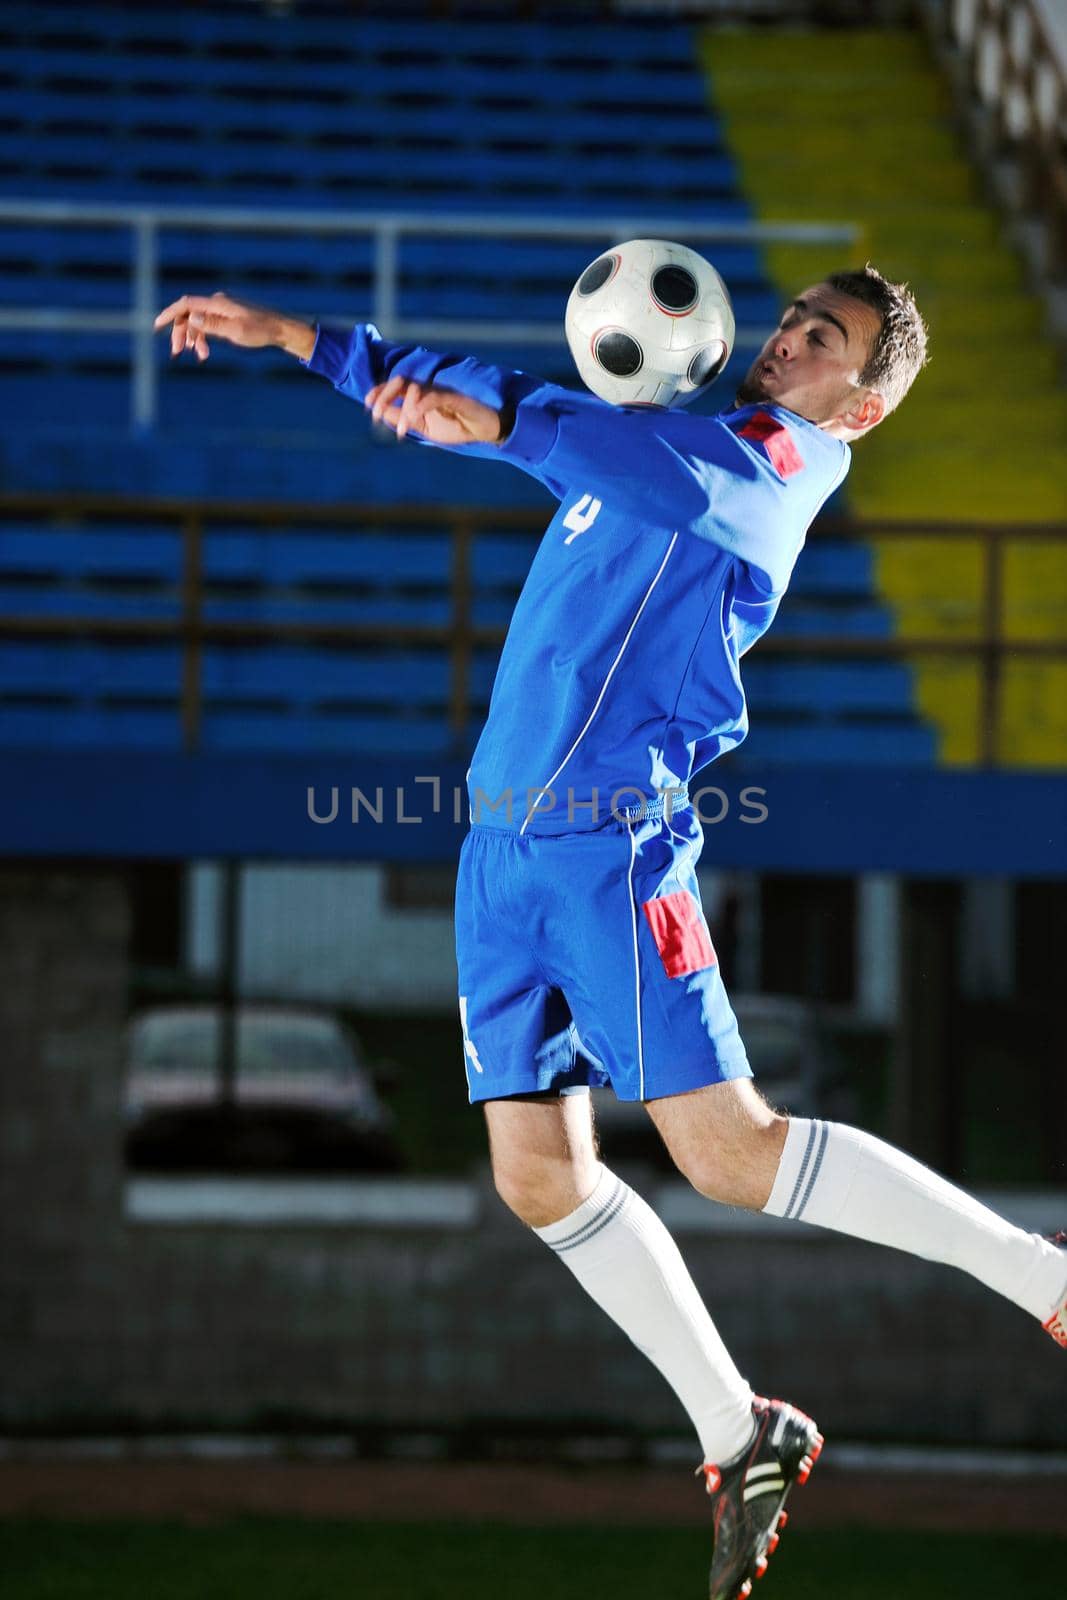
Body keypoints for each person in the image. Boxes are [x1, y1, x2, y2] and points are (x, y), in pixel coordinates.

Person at [155, 270, 1066, 1600]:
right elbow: (544, 423)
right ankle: (740, 1431)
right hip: (501, 849)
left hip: (610, 850)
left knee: (730, 1154)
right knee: (536, 1177)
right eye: (799, 318)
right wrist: (322, 348)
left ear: (861, 406)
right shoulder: (656, 442)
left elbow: (556, 424)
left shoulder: (766, 470)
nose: (793, 339)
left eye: (829, 342)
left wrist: (498, 419)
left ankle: (1041, 1273)